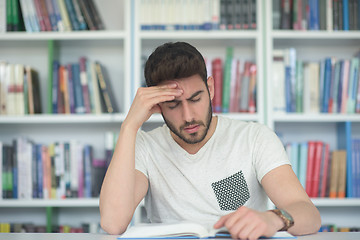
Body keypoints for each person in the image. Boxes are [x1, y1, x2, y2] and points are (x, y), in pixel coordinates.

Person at [99, 42, 321, 239]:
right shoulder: (145, 146)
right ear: (156, 105)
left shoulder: (255, 138)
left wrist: (274, 219)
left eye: (196, 99)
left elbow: (308, 214)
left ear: (211, 88)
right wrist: (129, 127)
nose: (188, 117)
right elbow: (113, 223)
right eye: (173, 105)